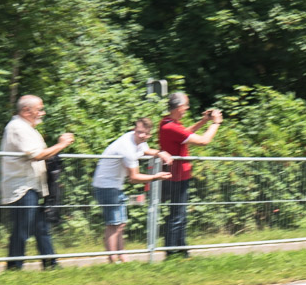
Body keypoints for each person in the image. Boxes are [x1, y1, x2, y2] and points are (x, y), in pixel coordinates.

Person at [0, 95, 74, 271]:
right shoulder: (17, 127)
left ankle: (50, 264)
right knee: (22, 229)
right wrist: (61, 144)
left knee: (41, 227)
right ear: (26, 110)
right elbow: (37, 155)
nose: (43, 112)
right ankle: (14, 267)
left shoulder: (27, 128)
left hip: (32, 185)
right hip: (22, 187)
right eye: (39, 109)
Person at [91, 117, 173, 262]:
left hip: (114, 185)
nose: (140, 134)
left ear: (149, 135)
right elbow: (134, 178)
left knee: (120, 224)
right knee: (113, 224)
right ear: (134, 130)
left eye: (143, 133)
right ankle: (112, 259)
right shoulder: (127, 147)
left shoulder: (137, 141)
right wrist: (156, 177)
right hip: (106, 185)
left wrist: (159, 152)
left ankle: (123, 257)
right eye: (138, 131)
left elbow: (146, 150)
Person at [158, 92, 222, 259]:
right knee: (177, 216)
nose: (187, 108)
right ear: (179, 108)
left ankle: (182, 252)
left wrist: (204, 121)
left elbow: (185, 133)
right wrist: (216, 124)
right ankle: (172, 253)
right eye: (186, 106)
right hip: (177, 177)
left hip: (176, 176)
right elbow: (203, 141)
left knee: (180, 215)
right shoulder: (171, 126)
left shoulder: (167, 122)